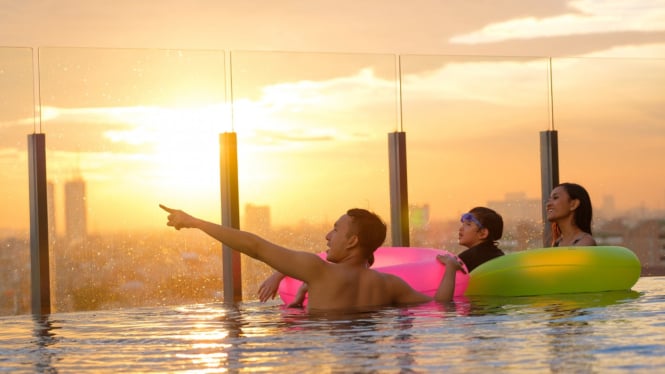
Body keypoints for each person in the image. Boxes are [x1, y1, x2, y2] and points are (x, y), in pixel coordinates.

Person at [159, 204, 457, 312]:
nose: (328, 236)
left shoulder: (320, 272)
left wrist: (196, 222)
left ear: (352, 241)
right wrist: (450, 270)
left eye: (335, 230)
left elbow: (255, 246)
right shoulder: (390, 284)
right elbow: (441, 305)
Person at [435, 207, 505, 301]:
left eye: (468, 224)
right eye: (462, 224)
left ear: (482, 233)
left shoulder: (468, 258)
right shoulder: (499, 255)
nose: (461, 229)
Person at [546, 182, 597, 247]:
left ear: (573, 204)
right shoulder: (557, 243)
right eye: (549, 199)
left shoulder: (585, 242)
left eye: (555, 198)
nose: (548, 204)